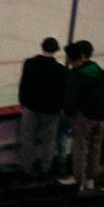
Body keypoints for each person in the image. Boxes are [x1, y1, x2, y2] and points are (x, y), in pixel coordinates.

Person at [62, 40, 104, 191]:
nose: (72, 63)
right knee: (96, 148)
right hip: (102, 116)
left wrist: (71, 113)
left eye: (73, 60)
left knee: (81, 148)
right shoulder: (98, 70)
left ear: (80, 57)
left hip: (86, 117)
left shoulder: (77, 75)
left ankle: (78, 180)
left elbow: (70, 100)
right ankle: (91, 179)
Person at [18, 37, 65, 172]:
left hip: (31, 107)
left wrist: (23, 102)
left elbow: (24, 84)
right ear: (56, 50)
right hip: (51, 110)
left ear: (42, 46)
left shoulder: (30, 63)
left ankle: (27, 167)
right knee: (49, 140)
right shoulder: (60, 70)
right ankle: (45, 167)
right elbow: (62, 92)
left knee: (28, 138)